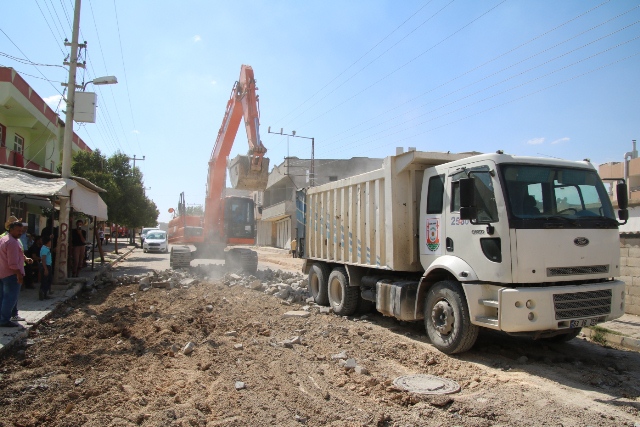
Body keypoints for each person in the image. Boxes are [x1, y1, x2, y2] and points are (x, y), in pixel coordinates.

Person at [0, 221, 26, 327]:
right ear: (11, 230)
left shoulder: (3, 239)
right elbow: (13, 264)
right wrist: (19, 275)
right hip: (11, 274)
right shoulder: (13, 243)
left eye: (21, 231)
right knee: (10, 298)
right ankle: (4, 320)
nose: (20, 233)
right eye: (18, 231)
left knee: (2, 297)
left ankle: (2, 318)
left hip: (2, 273)